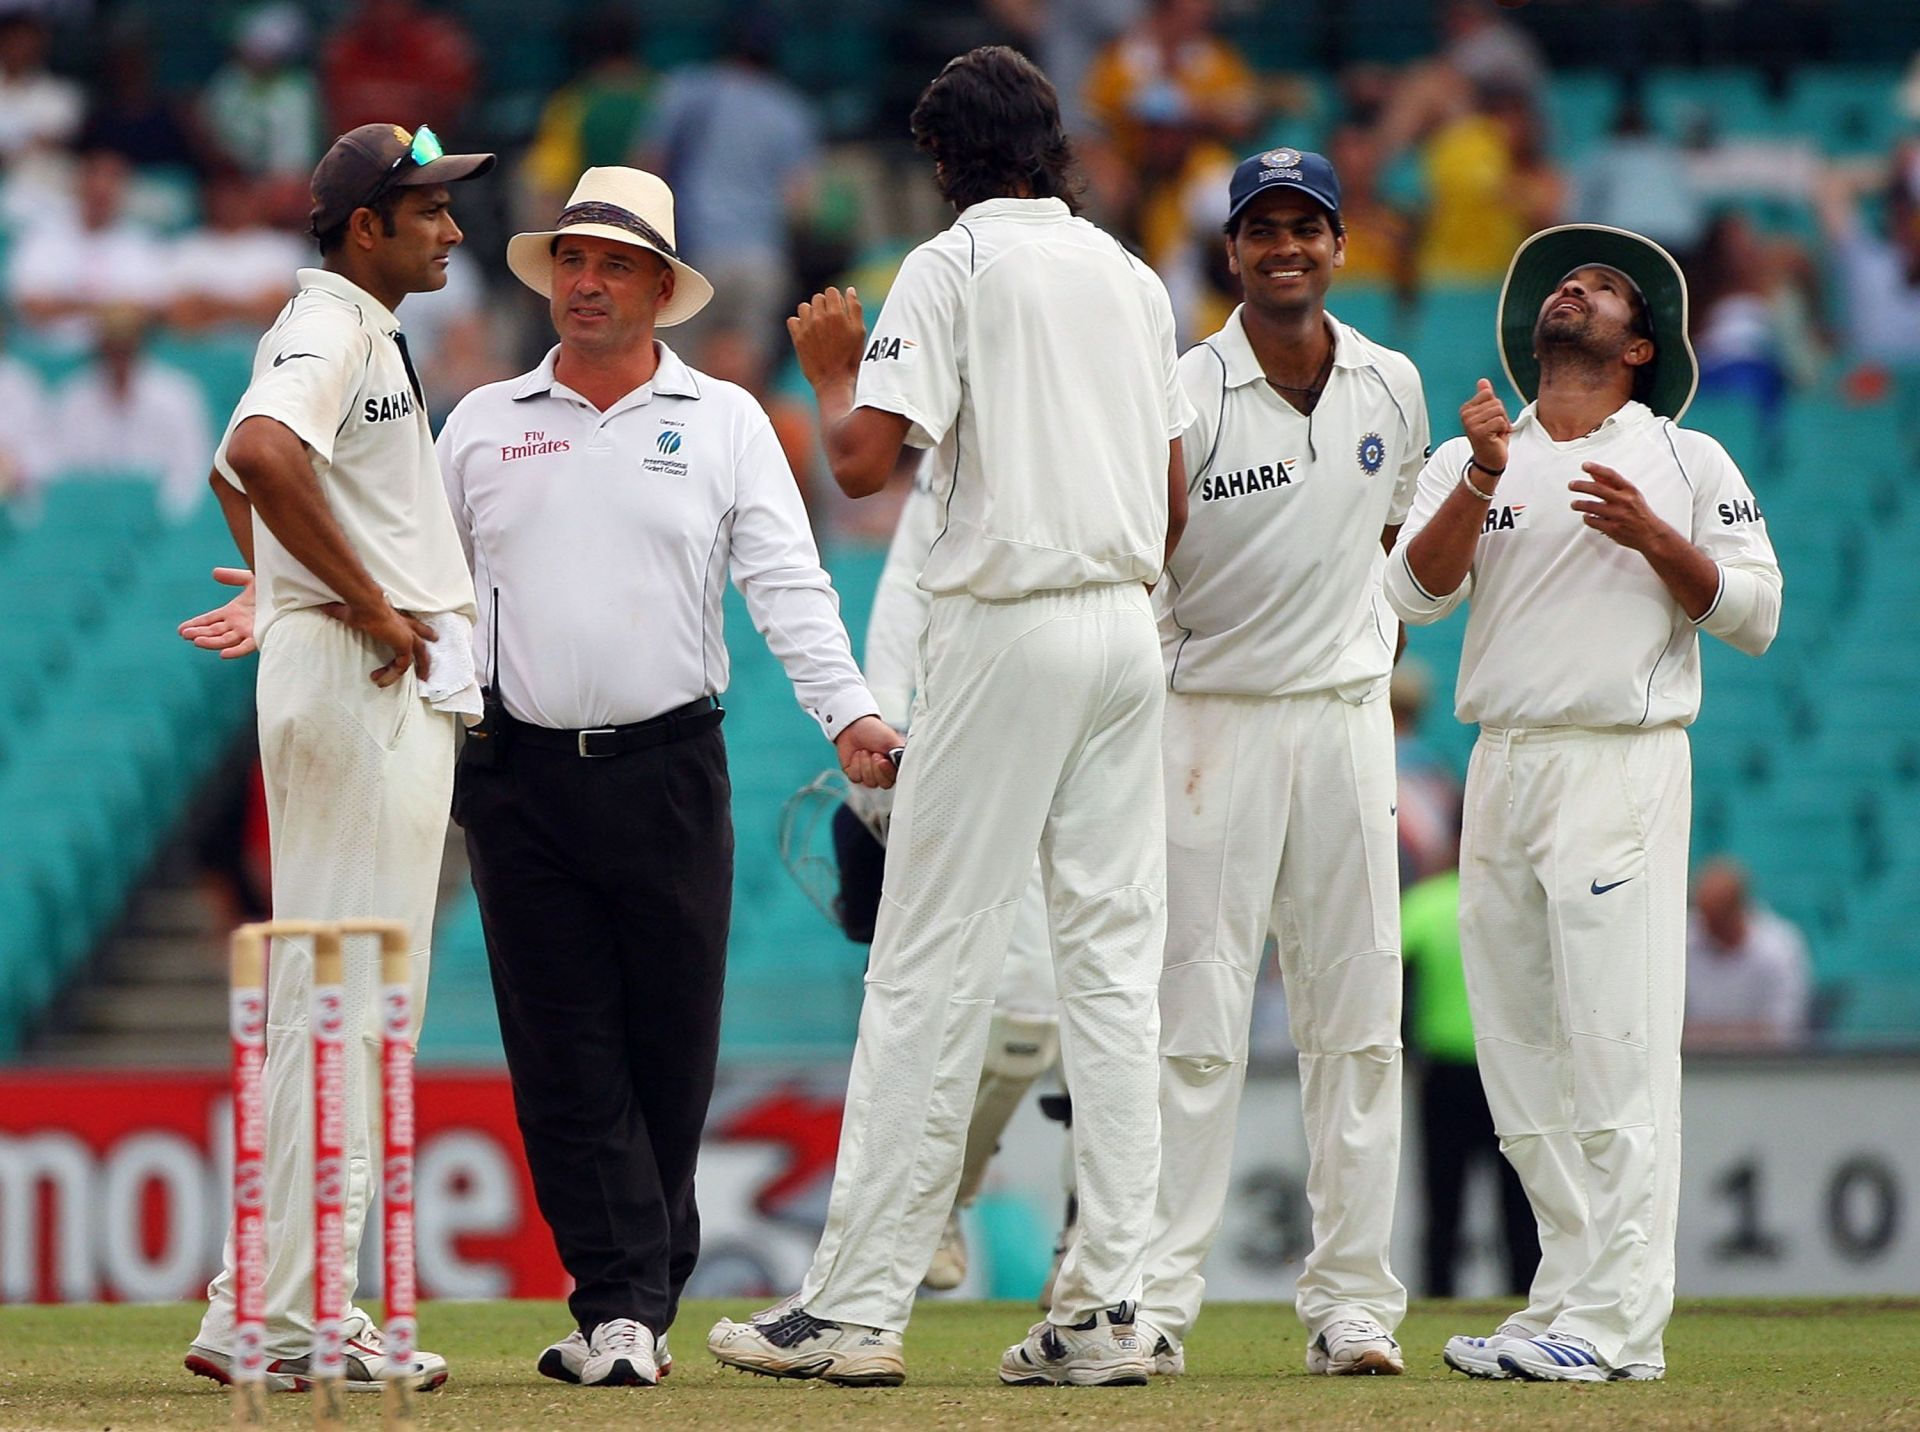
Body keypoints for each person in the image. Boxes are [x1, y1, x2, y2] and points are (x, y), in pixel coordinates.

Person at [707, 45, 1191, 1389]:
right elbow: (1172, 502)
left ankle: (855, 1312)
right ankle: (1110, 1314)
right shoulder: (1134, 279)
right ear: (1053, 145)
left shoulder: (953, 266)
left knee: (927, 962)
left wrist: (829, 368)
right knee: (1108, 970)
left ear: (946, 164)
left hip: (1011, 621)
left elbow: (865, 465)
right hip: (1123, 627)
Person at [437, 166, 901, 1390]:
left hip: (668, 767)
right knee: (560, 1051)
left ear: (659, 289)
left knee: (671, 1049)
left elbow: (788, 587)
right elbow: (422, 590)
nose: (585, 285)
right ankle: (622, 1306)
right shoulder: (482, 421)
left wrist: (848, 711)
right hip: (519, 774)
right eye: (571, 263)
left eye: (613, 266)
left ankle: (638, 1291)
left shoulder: (729, 420)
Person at [1384, 223, 1782, 1382]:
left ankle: (1621, 1327)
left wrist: (1656, 537)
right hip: (1501, 762)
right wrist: (1482, 477)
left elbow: (1756, 614)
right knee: (1517, 1056)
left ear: (1641, 347)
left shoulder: (1688, 459)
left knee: (1617, 1044)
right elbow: (1410, 593)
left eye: (1605, 287)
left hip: (1622, 757)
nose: (1578, 287)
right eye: (1569, 279)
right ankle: (1565, 1298)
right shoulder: (1482, 448)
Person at [177, 121, 496, 1394]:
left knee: (332, 996)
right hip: (364, 681)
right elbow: (258, 450)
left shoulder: (356, 331)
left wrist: (280, 586)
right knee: (358, 1001)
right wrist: (357, 600)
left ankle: (258, 1304)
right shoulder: (333, 329)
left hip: (339, 667)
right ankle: (304, 1322)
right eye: (428, 211)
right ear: (366, 226)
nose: (453, 230)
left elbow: (241, 463)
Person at [1133, 147, 1426, 1379]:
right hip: (1209, 720)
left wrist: (1359, 653)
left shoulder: (1393, 384)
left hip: (1348, 721)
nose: (1286, 247)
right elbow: (1146, 559)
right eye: (1264, 230)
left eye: (1307, 226)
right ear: (1234, 251)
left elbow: (1404, 542)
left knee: (1357, 1023)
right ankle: (1152, 1301)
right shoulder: (1183, 391)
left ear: (1339, 245)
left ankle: (1352, 1302)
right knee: (1193, 1024)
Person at [848, 451, 1064, 1295]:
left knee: (1133, 1021)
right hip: (986, 746)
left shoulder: (1140, 418)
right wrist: (886, 723)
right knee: (1024, 1018)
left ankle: (1095, 1247)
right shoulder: (961, 451)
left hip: (1120, 736)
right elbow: (909, 594)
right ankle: (942, 1195)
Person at [1401, 863, 1540, 1299]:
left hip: (1443, 1074)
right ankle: (1527, 1300)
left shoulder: (1424, 904)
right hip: (1512, 1070)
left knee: (1442, 1205)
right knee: (1520, 1205)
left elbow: (1394, 981)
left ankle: (1436, 1299)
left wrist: (1407, 1048)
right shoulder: (1516, 901)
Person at [45, 304, 213, 519]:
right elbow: (59, 469)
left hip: (160, 522)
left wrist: (157, 515)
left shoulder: (177, 396)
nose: (119, 353)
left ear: (140, 342)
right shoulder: (73, 398)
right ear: (101, 345)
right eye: (113, 344)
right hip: (91, 522)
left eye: (126, 344)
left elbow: (194, 471)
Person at [1684, 857, 1813, 1051]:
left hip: (1764, 1070)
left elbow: (1784, 1030)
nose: (1705, 926)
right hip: (1694, 1068)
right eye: (1703, 914)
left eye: (1715, 918)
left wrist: (1708, 1035)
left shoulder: (1781, 949)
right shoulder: (1682, 940)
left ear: (1736, 910)